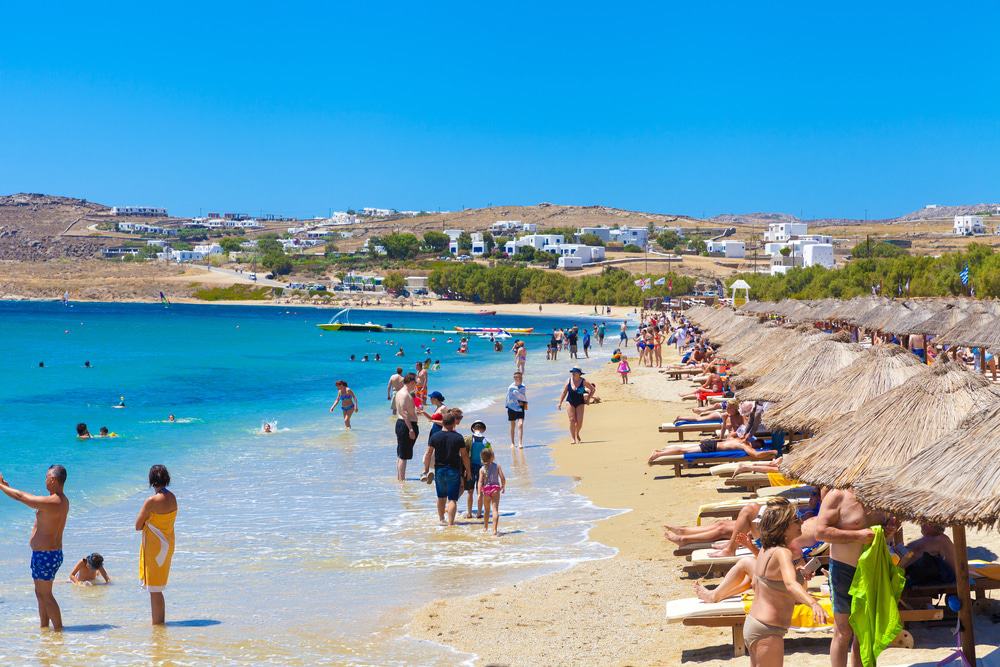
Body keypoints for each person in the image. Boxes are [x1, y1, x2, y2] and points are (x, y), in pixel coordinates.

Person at [743, 499, 828, 664]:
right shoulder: (783, 552)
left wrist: (800, 577)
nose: (801, 522)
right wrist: (813, 603)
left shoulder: (766, 549)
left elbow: (765, 584)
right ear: (783, 527)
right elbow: (789, 585)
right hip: (768, 629)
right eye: (796, 520)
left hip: (755, 624)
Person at [814, 489, 884, 667]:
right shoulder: (838, 496)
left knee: (864, 631)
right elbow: (820, 532)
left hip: (871, 569)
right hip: (844, 570)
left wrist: (888, 531)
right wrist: (856, 536)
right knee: (843, 631)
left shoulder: (880, 494)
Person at [0, 465, 70, 630]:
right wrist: (6, 488)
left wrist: (1, 486)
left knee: (46, 595)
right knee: (40, 594)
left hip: (47, 555)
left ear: (53, 479)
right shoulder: (59, 500)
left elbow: (21, 497)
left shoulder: (54, 501)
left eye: (46, 477)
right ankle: (44, 628)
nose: (45, 480)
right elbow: (21, 497)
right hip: (45, 554)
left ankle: (59, 631)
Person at [135, 464, 177, 625]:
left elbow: (138, 526)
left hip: (155, 547)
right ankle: (159, 624)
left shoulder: (151, 501)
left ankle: (158, 626)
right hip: (168, 543)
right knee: (157, 588)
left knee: (154, 590)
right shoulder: (172, 498)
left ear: (152, 480)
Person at [422, 409, 471, 526]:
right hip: (454, 470)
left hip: (439, 470)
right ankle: (451, 523)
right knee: (452, 499)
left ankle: (441, 520)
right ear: (454, 422)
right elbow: (464, 456)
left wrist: (426, 469)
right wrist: (468, 471)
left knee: (441, 496)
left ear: (442, 423)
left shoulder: (435, 437)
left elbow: (428, 454)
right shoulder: (458, 437)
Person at [557, 368, 595, 444]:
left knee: (579, 422)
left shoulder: (583, 381)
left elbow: (592, 389)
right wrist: (560, 403)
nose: (573, 373)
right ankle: (573, 439)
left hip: (580, 402)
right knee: (572, 420)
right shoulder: (568, 380)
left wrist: (588, 399)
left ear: (579, 373)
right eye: (572, 372)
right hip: (570, 401)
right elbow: (564, 392)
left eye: (575, 372)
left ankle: (577, 433)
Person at [393, 373, 419, 481]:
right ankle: (401, 480)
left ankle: (400, 478)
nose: (416, 385)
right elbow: (404, 413)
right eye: (415, 383)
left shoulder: (400, 392)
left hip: (401, 423)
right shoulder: (404, 394)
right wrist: (411, 429)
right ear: (412, 382)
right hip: (406, 424)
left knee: (400, 453)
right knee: (403, 455)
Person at [463, 420, 491, 519]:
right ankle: (479, 513)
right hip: (482, 468)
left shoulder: (468, 439)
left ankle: (469, 513)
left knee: (470, 491)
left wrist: (465, 468)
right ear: (483, 429)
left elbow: (464, 454)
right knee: (480, 492)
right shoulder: (486, 441)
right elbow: (490, 455)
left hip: (470, 467)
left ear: (473, 428)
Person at [478, 447, 506, 535]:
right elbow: (502, 478)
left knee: (486, 510)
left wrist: (479, 493)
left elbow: (480, 481)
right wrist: (503, 486)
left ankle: (485, 528)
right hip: (495, 489)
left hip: (486, 490)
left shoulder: (481, 469)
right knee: (495, 510)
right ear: (492, 457)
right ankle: (494, 530)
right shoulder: (497, 466)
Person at [506, 372, 527, 448]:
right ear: (515, 378)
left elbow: (523, 397)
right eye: (518, 377)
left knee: (520, 424)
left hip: (520, 406)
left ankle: (520, 443)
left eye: (521, 377)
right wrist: (508, 406)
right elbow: (508, 398)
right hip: (511, 407)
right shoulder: (510, 387)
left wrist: (523, 402)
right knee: (513, 425)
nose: (520, 379)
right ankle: (512, 443)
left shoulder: (523, 386)